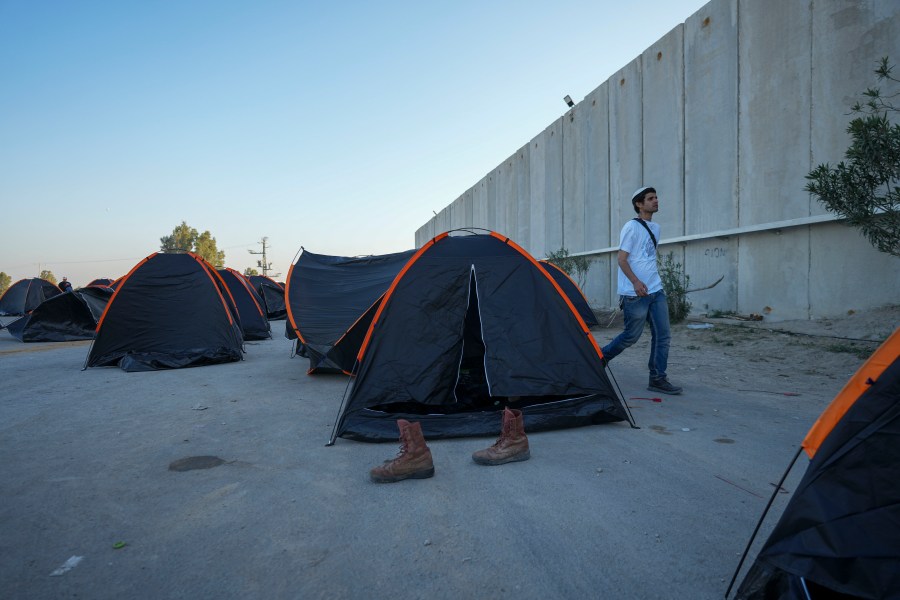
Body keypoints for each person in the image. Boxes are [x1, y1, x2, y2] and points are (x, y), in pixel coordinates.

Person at [601, 187, 682, 395]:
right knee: (631, 336)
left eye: (656, 197)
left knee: (663, 335)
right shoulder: (631, 227)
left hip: (656, 290)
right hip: (634, 293)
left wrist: (651, 282)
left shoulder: (656, 228)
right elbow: (622, 259)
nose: (656, 201)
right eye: (650, 198)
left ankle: (657, 378)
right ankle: (599, 359)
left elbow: (646, 258)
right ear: (639, 204)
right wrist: (636, 282)